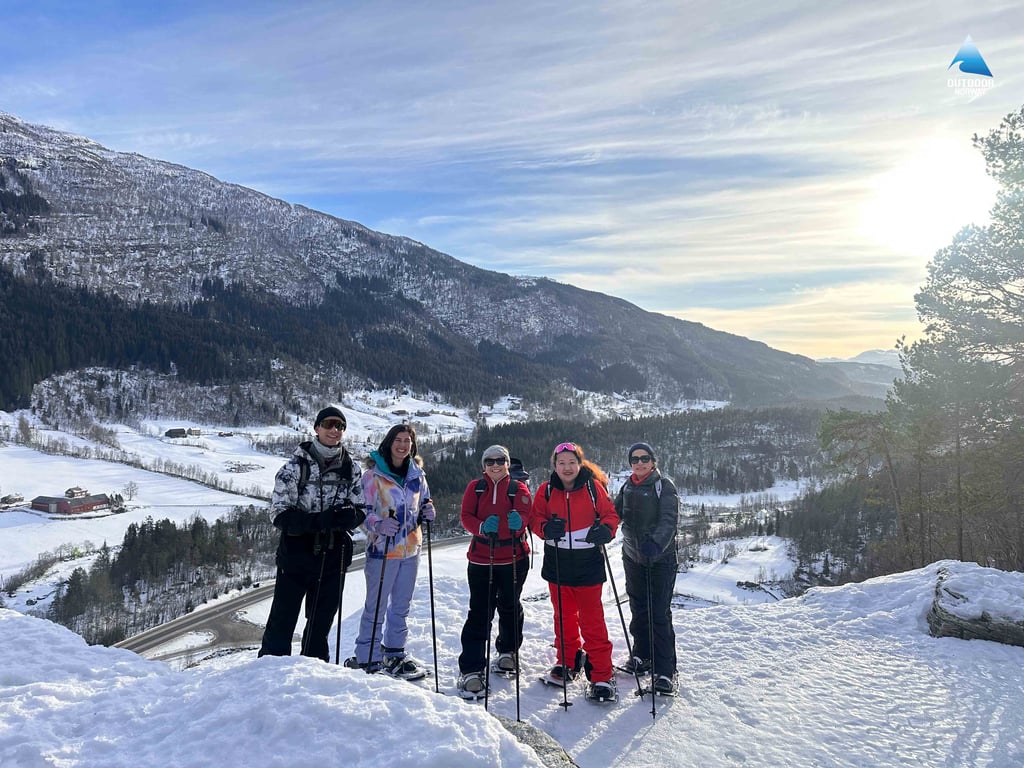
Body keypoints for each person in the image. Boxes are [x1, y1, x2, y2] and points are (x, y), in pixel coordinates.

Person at [259, 406, 365, 661]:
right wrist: (318, 521)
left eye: (340, 426)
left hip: (333, 555)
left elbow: (361, 507)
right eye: (329, 424)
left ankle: (313, 674)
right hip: (296, 554)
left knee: (320, 624)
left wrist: (351, 518)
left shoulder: (351, 469)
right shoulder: (294, 468)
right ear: (317, 428)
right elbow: (279, 514)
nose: (334, 430)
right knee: (282, 622)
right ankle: (269, 675)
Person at [531, 441, 620, 702]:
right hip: (557, 563)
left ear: (579, 464)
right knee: (563, 617)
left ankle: (602, 675)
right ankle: (568, 661)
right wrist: (546, 529)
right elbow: (535, 519)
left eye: (572, 462)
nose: (567, 468)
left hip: (588, 563)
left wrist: (605, 531)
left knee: (592, 620)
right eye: (561, 463)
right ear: (555, 466)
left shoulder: (593, 488)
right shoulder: (546, 491)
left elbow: (610, 516)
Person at [346, 423, 435, 679]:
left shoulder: (417, 474)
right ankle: (367, 657)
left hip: (411, 550)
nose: (403, 445)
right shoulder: (372, 477)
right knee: (375, 606)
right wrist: (377, 524)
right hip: (382, 551)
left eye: (408, 440)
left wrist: (428, 511)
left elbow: (424, 500)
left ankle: (394, 652)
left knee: (401, 605)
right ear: (389, 442)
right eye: (398, 439)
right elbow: (363, 512)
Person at [455, 445, 533, 699]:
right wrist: (479, 527)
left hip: (512, 557)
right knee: (479, 611)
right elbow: (466, 516)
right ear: (483, 465)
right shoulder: (475, 488)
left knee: (510, 605)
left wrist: (519, 523)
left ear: (508, 463)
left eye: (500, 460)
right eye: (490, 461)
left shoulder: (518, 488)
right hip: (481, 558)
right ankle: (472, 668)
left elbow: (525, 513)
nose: (495, 465)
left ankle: (508, 651)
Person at [614, 442, 680, 695]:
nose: (639, 463)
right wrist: (600, 527)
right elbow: (614, 512)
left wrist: (657, 543)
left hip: (660, 559)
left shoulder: (665, 486)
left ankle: (665, 671)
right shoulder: (628, 485)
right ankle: (642, 654)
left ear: (653, 461)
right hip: (633, 556)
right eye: (634, 459)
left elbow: (669, 519)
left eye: (644, 458)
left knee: (659, 613)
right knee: (638, 607)